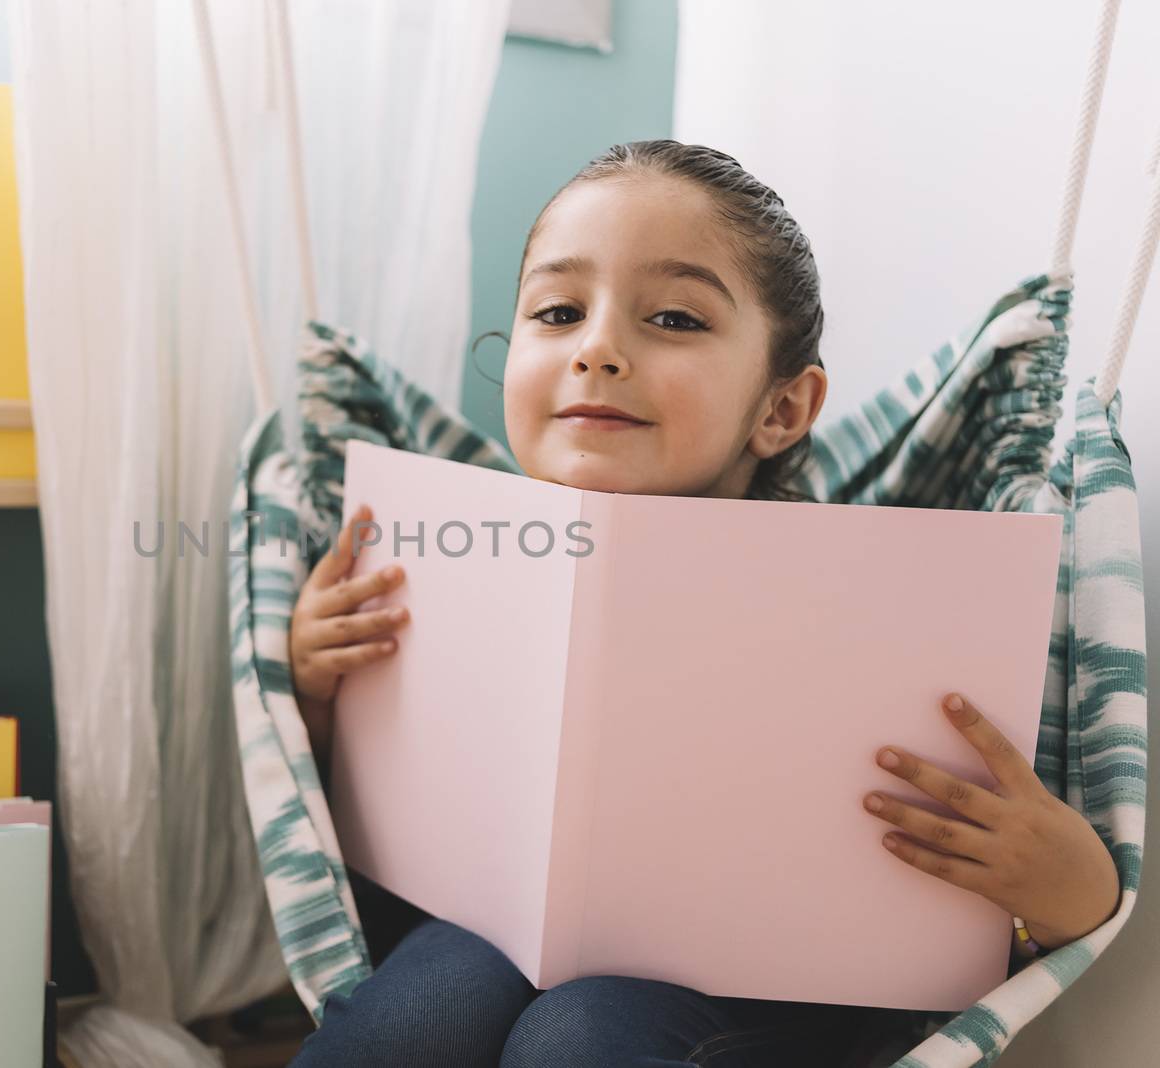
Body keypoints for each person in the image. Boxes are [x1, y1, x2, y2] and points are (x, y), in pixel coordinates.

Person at [282, 140, 1121, 1067]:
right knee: (421, 1015)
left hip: (763, 991)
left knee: (579, 1038)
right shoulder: (432, 545)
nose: (597, 349)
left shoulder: (881, 597)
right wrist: (317, 688)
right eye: (559, 311)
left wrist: (1069, 888)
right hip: (494, 928)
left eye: (674, 318)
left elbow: (1038, 912)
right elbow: (343, 812)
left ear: (784, 410)